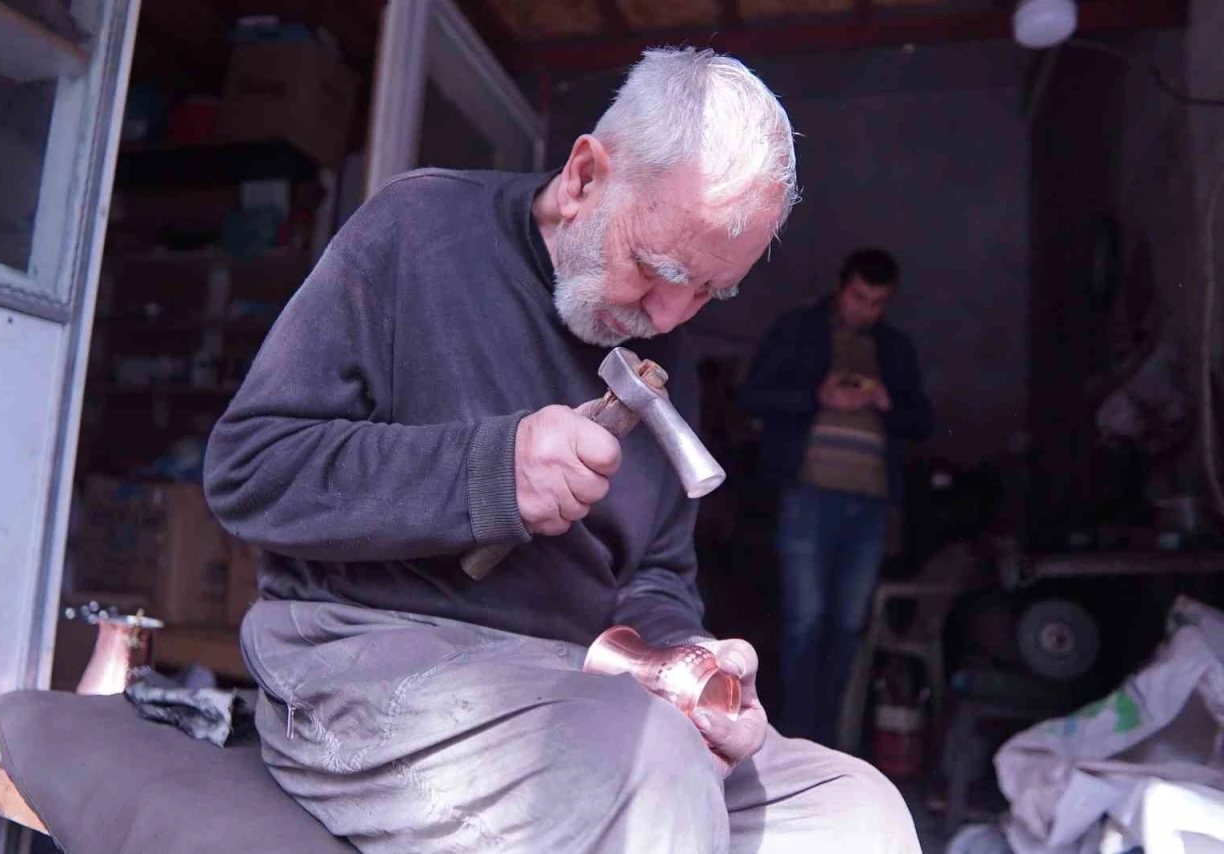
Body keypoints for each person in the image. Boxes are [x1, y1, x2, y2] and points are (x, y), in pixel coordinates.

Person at [204, 48, 921, 853]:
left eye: (708, 290)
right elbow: (249, 471)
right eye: (654, 267)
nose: (670, 316)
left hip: (577, 685)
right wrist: (490, 473)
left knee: (858, 812)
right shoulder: (419, 228)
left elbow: (655, 574)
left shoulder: (662, 345)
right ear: (584, 177)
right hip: (369, 660)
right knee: (648, 767)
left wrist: (687, 666)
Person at [739, 248, 934, 746]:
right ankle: (795, 739)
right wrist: (818, 397)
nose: (866, 310)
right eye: (859, 297)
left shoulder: (894, 348)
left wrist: (888, 402)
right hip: (808, 495)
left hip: (870, 505)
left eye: (878, 302)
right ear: (841, 288)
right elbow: (753, 395)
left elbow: (923, 422)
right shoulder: (800, 331)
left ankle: (830, 739)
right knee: (805, 620)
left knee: (848, 625)